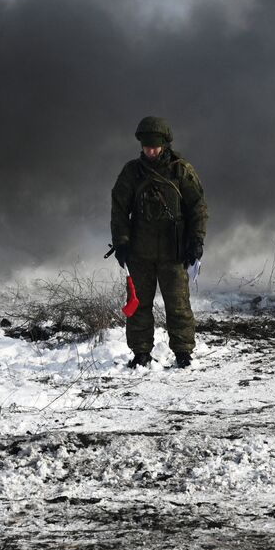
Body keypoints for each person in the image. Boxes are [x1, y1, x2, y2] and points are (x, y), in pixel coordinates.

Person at [110, 116, 208, 368]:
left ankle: (184, 352)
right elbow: (119, 209)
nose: (150, 151)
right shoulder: (132, 172)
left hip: (174, 252)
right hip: (140, 253)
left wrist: (196, 240)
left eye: (154, 146)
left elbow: (197, 207)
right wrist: (121, 241)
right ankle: (141, 353)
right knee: (138, 306)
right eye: (146, 146)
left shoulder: (180, 170)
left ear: (164, 144)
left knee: (178, 305)